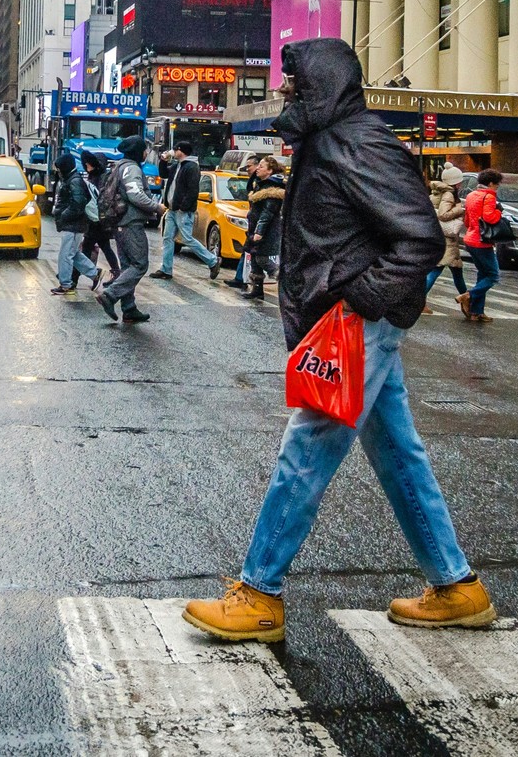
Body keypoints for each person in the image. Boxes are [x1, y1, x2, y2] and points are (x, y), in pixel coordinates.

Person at [182, 38, 490, 643]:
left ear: (321, 83)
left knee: (307, 450)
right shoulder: (330, 139)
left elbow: (420, 241)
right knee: (398, 454)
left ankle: (260, 591)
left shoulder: (358, 141)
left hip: (355, 324)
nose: (285, 91)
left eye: (294, 81)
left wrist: (360, 303)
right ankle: (456, 585)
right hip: (351, 319)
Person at [95, 136, 163, 324]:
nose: (146, 153)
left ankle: (129, 309)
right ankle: (110, 295)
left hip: (119, 223)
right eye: (144, 149)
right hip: (130, 223)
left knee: (127, 267)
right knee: (140, 265)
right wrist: (156, 207)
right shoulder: (132, 168)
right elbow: (135, 195)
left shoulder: (118, 166)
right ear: (137, 151)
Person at [153, 148, 221, 280]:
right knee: (167, 238)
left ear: (181, 151)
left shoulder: (191, 167)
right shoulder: (176, 166)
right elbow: (163, 174)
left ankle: (212, 260)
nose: (172, 152)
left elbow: (193, 189)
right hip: (172, 209)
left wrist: (184, 206)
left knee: (186, 238)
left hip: (182, 211)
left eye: (175, 149)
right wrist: (162, 161)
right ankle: (166, 269)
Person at [49, 153, 100, 296]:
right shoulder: (72, 179)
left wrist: (64, 215)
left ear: (64, 167)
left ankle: (66, 285)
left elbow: (78, 203)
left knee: (65, 255)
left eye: (59, 168)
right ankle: (94, 273)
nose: (57, 171)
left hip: (73, 225)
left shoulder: (74, 181)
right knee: (73, 253)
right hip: (74, 224)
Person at [458, 170, 504, 323]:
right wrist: (499, 212)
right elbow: (489, 217)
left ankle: (476, 311)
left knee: (482, 274)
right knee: (493, 275)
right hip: (482, 241)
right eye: (497, 185)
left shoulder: (471, 195)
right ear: (491, 183)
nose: (497, 188)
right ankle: (468, 296)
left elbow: (467, 220)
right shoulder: (489, 196)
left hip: (470, 239)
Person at [422, 165, 469, 314]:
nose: (461, 184)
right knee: (437, 269)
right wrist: (460, 210)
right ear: (455, 182)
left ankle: (467, 299)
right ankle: (419, 302)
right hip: (447, 238)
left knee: (456, 270)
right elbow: (443, 214)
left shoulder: (438, 192)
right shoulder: (449, 194)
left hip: (441, 235)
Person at [240, 156, 285, 301]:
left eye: (261, 166)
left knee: (262, 258)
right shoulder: (260, 184)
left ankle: (283, 278)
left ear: (270, 170)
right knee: (254, 258)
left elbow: (267, 213)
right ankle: (257, 289)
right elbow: (249, 186)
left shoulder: (272, 189)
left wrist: (259, 231)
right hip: (255, 227)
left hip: (266, 230)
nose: (257, 168)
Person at [78, 152, 120, 283]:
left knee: (86, 250)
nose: (86, 166)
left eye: (89, 163)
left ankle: (75, 278)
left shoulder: (101, 178)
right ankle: (116, 273)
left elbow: (100, 199)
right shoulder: (95, 176)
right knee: (103, 246)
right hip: (98, 220)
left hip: (97, 221)